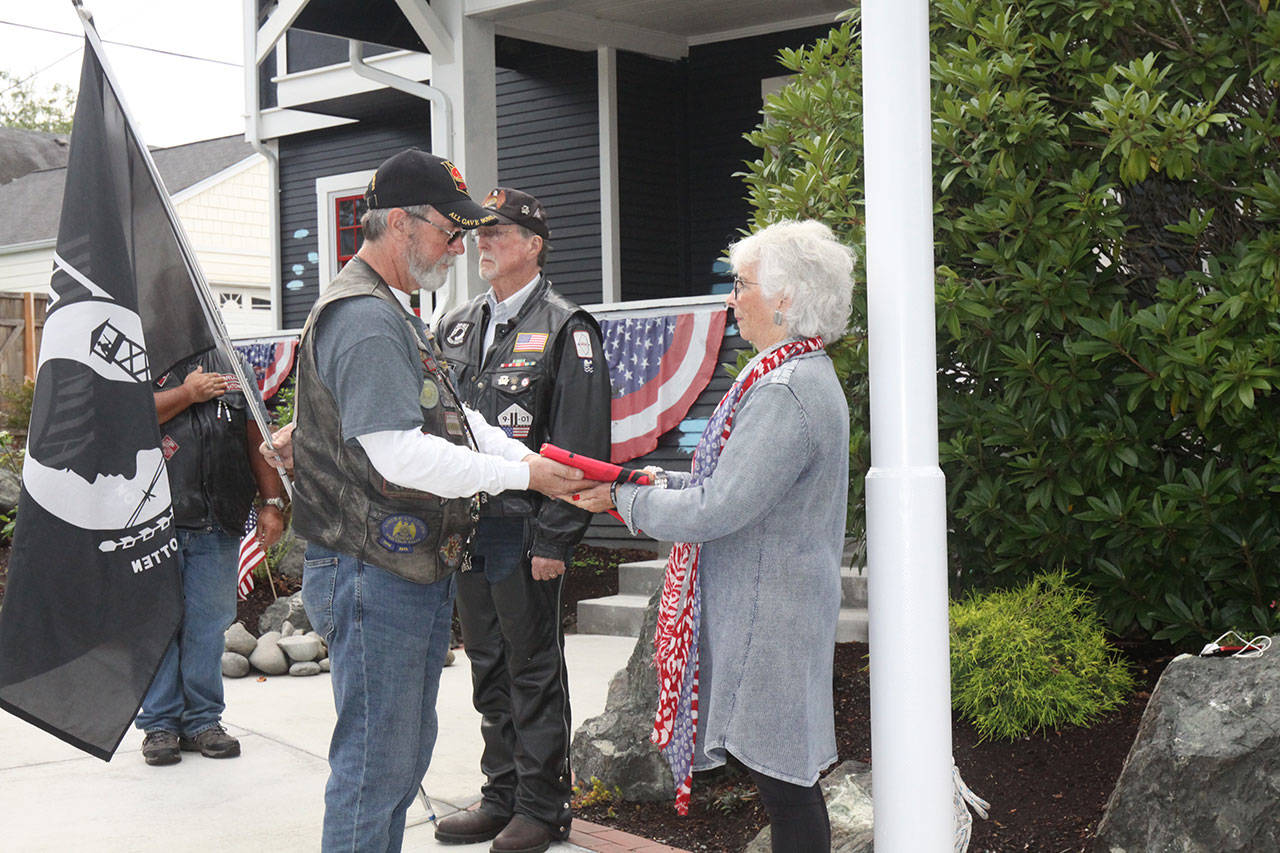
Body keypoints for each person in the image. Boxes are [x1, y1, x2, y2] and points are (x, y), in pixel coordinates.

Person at [285, 148, 585, 852]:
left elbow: (457, 419)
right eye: (450, 230)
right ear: (399, 223)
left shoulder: (393, 309)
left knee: (398, 756)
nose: (460, 246)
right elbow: (398, 453)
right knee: (375, 765)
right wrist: (523, 479)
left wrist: (535, 462)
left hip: (399, 570)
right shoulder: (363, 316)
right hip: (370, 573)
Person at [573, 220, 853, 851]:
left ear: (784, 299)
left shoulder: (786, 390)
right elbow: (724, 489)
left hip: (770, 615)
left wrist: (623, 496)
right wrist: (642, 483)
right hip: (770, 607)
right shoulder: (792, 376)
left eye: (742, 284)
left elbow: (715, 509)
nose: (732, 299)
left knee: (786, 783)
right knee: (785, 782)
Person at [432, 188, 610, 852]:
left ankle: (542, 803)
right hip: (468, 526)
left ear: (534, 244)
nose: (483, 242)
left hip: (527, 528)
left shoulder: (567, 326)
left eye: (498, 233)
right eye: (479, 233)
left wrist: (557, 535)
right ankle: (501, 792)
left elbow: (583, 441)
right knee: (487, 664)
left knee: (532, 667)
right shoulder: (453, 325)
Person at [136, 349, 286, 766]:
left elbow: (257, 435)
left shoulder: (234, 364)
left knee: (208, 625)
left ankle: (203, 721)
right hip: (153, 522)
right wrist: (186, 393)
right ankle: (160, 725)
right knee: (160, 623)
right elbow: (128, 423)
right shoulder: (141, 357)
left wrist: (272, 501)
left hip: (219, 518)